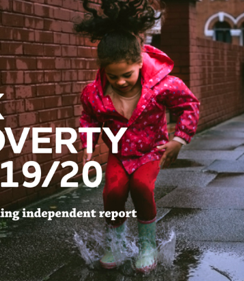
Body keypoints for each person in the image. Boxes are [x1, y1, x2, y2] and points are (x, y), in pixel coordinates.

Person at [75, 0, 200, 273]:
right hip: (119, 153)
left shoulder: (162, 85)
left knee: (142, 189)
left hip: (150, 151)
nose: (120, 82)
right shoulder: (93, 93)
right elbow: (89, 119)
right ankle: (116, 245)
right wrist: (88, 145)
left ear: (139, 63)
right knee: (114, 192)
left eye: (127, 74)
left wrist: (179, 139)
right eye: (113, 76)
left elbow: (189, 106)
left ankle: (147, 246)